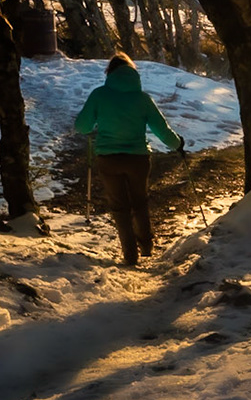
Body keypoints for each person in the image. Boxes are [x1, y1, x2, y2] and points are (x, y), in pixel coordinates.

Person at [74, 53, 185, 267]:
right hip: (138, 159)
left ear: (110, 73)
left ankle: (130, 255)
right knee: (139, 202)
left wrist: (94, 125)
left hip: (108, 158)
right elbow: (162, 130)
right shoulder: (142, 98)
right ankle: (146, 246)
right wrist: (177, 144)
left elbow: (82, 126)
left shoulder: (99, 95)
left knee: (120, 207)